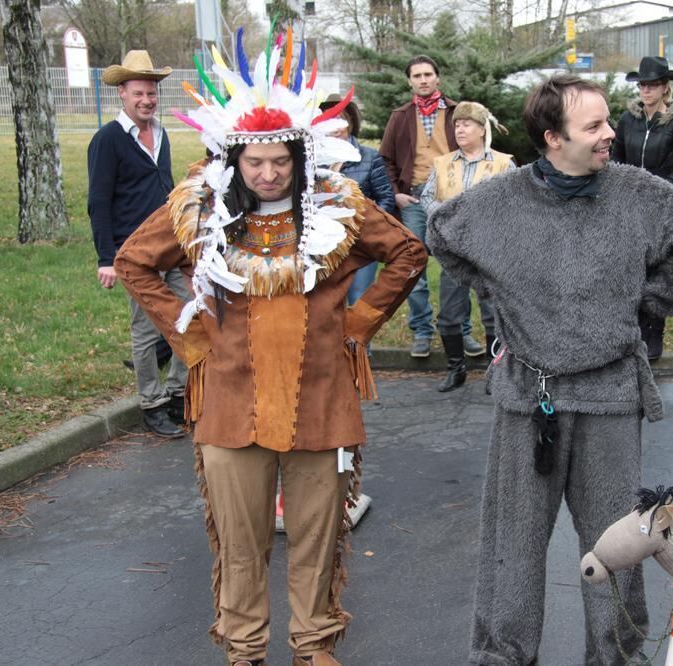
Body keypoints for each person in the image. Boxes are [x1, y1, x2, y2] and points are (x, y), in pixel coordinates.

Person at [114, 33, 427, 666]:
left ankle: (313, 647)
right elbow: (134, 263)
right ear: (234, 157)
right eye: (254, 161)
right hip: (229, 408)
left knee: (317, 538)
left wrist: (360, 324)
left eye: (279, 160)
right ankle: (244, 650)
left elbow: (407, 253)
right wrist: (191, 337)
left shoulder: (339, 204)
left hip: (322, 403)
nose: (267, 173)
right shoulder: (198, 207)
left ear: (297, 156)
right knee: (240, 541)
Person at [428, 74, 673, 665]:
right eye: (593, 126)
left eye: (606, 123)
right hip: (526, 397)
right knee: (512, 545)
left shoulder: (639, 193)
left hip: (610, 396)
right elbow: (442, 232)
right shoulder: (499, 200)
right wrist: (501, 290)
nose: (608, 135)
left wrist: (646, 297)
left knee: (619, 543)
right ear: (551, 138)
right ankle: (501, 657)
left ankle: (618, 657)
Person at [87, 50, 188, 437]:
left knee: (188, 315)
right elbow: (98, 202)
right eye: (138, 94)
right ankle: (152, 403)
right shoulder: (108, 140)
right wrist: (106, 257)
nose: (146, 100)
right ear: (123, 94)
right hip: (134, 253)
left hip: (172, 246)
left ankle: (179, 393)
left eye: (151, 93)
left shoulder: (160, 134)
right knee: (146, 330)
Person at [379, 56, 483, 359]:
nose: (423, 80)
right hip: (412, 199)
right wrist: (396, 193)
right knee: (414, 267)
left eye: (428, 74)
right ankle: (422, 331)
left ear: (437, 78)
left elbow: (477, 147)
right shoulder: (400, 116)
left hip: (451, 199)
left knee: (456, 267)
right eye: (417, 76)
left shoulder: (456, 113)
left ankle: (460, 330)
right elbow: (385, 159)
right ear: (409, 81)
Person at [419, 101, 515, 392]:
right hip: (452, 251)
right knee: (449, 312)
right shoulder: (443, 163)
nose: (460, 129)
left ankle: (494, 372)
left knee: (492, 313)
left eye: (466, 124)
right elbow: (426, 198)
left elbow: (513, 203)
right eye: (457, 124)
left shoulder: (503, 164)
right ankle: (455, 369)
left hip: (489, 252)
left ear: (481, 128)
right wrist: (448, 217)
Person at [613, 56, 673, 362]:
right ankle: (630, 330)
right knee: (629, 266)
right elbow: (616, 156)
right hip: (629, 203)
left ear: (665, 88)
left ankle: (654, 330)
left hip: (661, 204)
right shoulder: (628, 120)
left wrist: (666, 185)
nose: (646, 91)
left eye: (652, 85)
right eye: (642, 85)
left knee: (656, 267)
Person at [319, 95, 396, 307]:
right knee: (327, 302)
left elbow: (385, 198)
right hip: (324, 243)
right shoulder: (313, 159)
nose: (336, 128)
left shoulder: (369, 157)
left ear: (350, 124)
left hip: (361, 241)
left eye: (341, 122)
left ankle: (358, 342)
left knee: (359, 299)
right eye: (329, 122)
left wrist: (368, 227)